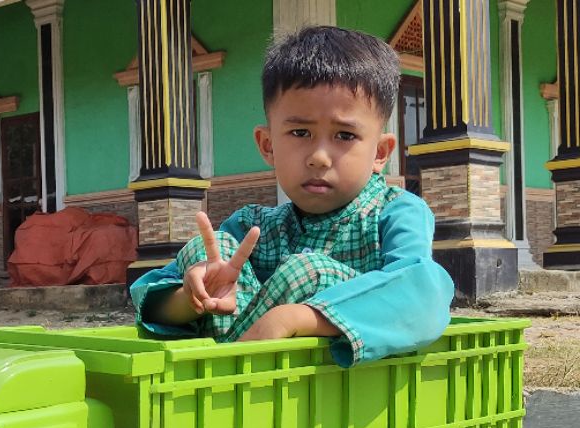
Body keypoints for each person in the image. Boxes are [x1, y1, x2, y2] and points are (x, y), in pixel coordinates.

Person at [130, 26, 454, 367]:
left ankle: (231, 369)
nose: (319, 157)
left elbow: (422, 293)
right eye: (300, 132)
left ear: (380, 152)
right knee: (207, 252)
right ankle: (230, 371)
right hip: (246, 377)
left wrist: (298, 318)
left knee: (306, 271)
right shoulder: (252, 228)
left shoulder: (396, 212)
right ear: (268, 145)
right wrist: (194, 295)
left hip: (338, 386)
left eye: (344, 135)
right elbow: (150, 300)